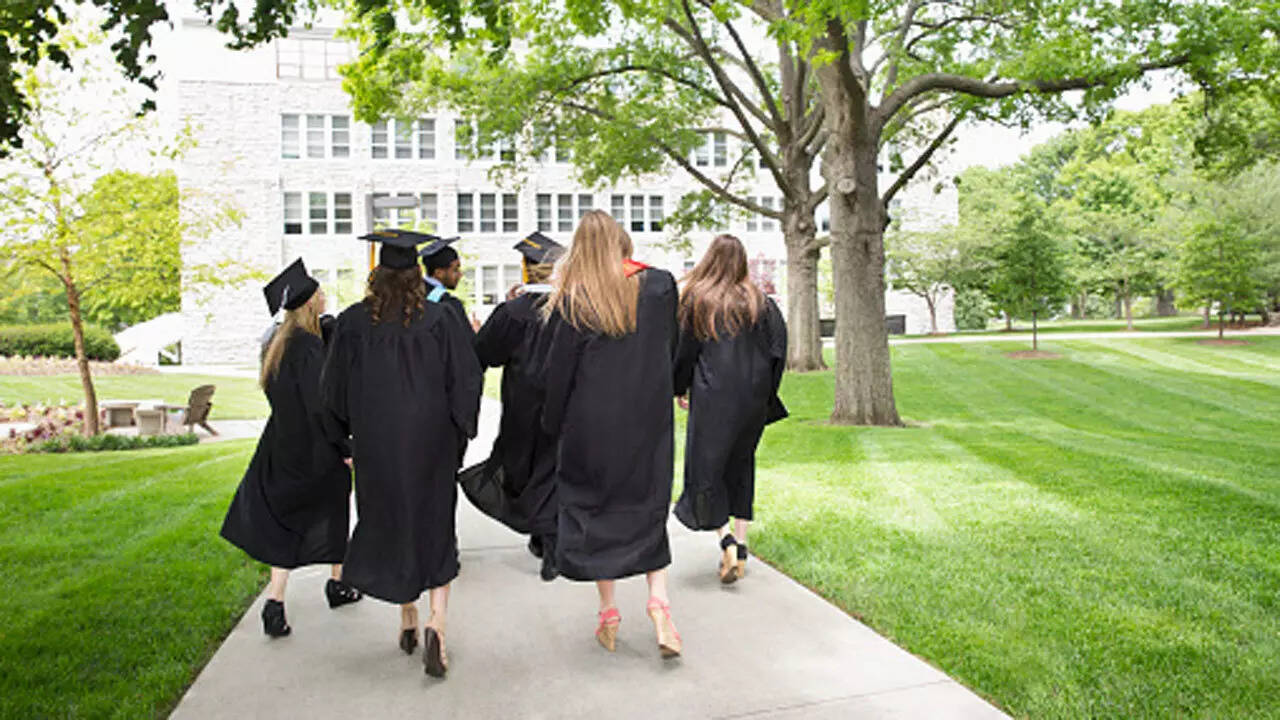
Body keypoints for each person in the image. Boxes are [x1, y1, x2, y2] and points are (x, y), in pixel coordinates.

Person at [321, 230, 483, 678]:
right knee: (434, 525)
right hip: (432, 441)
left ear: (377, 276)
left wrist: (344, 440)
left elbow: (331, 391)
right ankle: (437, 622)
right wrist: (459, 434)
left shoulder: (353, 323)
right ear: (417, 275)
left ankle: (407, 616)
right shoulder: (442, 318)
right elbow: (466, 381)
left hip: (377, 444)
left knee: (392, 522)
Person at [539, 210, 682, 658]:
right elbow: (671, 348)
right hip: (647, 420)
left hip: (591, 427)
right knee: (648, 506)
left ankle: (609, 612)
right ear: (622, 244)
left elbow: (557, 376)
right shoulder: (660, 286)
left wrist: (551, 425)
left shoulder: (573, 299)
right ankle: (659, 603)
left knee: (595, 511)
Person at [220, 258, 362, 638]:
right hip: (315, 450)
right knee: (333, 508)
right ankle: (338, 584)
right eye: (321, 294)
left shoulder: (277, 344)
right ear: (310, 302)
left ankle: (276, 602)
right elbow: (321, 406)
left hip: (282, 444)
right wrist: (344, 445)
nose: (325, 298)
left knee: (287, 522)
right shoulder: (309, 347)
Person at [672, 235, 788, 584]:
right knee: (741, 465)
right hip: (752, 397)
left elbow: (685, 351)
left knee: (708, 469)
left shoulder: (699, 300)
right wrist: (766, 394)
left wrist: (679, 387)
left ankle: (725, 541)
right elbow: (778, 352)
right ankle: (742, 542)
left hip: (713, 397)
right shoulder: (760, 302)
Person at [458, 231, 564, 581]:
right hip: (564, 404)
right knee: (553, 468)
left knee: (524, 467)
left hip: (523, 405)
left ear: (526, 269)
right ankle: (548, 538)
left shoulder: (513, 312)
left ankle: (546, 542)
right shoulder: (571, 309)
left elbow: (485, 353)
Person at [419, 234, 477, 340]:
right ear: (439, 273)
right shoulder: (449, 304)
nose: (460, 274)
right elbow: (467, 343)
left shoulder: (414, 294)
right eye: (455, 270)